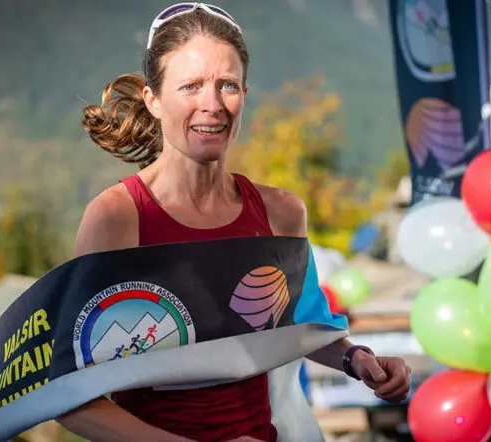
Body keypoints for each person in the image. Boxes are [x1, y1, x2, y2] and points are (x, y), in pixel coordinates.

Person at [56, 3, 411, 442]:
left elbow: (301, 327)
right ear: (154, 100)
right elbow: (68, 396)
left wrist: (356, 359)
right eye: (190, 86)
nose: (212, 105)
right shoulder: (117, 219)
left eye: (227, 85)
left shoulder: (281, 213)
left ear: (244, 93)